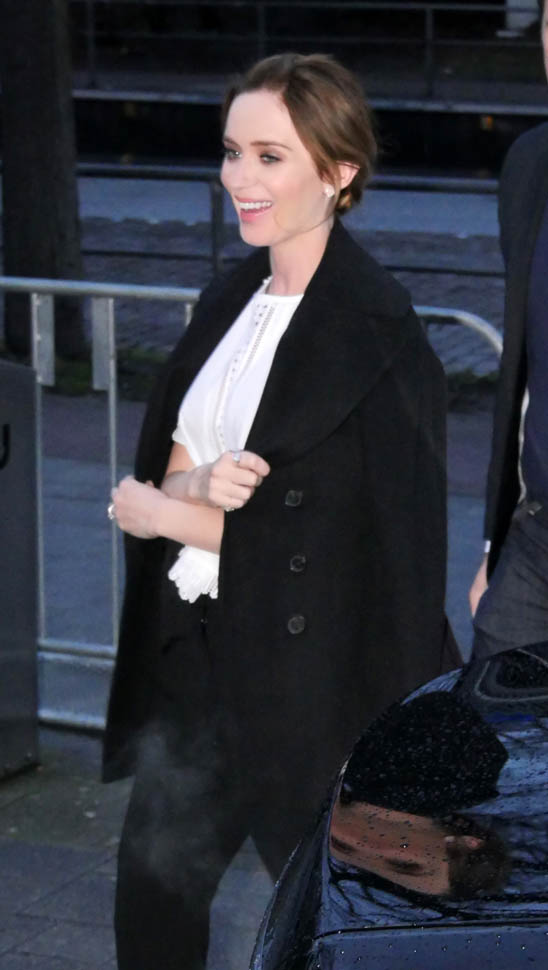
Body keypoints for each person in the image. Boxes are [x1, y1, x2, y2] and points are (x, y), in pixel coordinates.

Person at [105, 53, 459, 970]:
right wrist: (186, 493)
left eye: (270, 156)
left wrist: (164, 513)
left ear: (339, 173)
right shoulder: (231, 297)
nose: (239, 178)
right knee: (151, 902)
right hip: (196, 657)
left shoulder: (380, 336)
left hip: (310, 691)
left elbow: (346, 551)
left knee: (334, 932)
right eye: (232, 152)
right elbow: (175, 466)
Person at [469, 0, 548, 656]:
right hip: (535, 544)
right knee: (485, 708)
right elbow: (526, 367)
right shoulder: (530, 165)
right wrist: (494, 545)